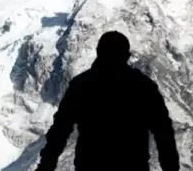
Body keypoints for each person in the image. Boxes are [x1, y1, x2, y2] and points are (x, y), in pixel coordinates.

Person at [34, 31, 179, 171]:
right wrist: (171, 167)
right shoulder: (144, 86)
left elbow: (61, 128)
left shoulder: (81, 85)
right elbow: (163, 130)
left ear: (98, 52)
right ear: (127, 56)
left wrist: (47, 163)